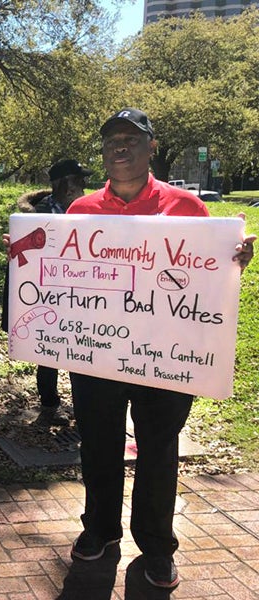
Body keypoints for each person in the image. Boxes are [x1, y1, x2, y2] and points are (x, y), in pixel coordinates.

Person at [64, 108, 255, 589]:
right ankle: (100, 531)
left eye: (131, 139)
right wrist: (28, 253)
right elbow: (60, 274)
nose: (120, 148)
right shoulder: (80, 211)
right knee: (99, 445)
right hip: (97, 354)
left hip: (165, 357)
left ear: (152, 147)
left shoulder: (187, 207)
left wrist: (235, 263)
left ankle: (156, 545)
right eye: (111, 141)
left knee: (158, 449)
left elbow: (208, 281)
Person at [3, 158, 92, 426]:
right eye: (80, 182)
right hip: (46, 296)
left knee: (82, 350)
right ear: (66, 185)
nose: (85, 187)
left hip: (81, 296)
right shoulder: (36, 218)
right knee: (48, 352)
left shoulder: (87, 212)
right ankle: (50, 404)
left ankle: (84, 407)